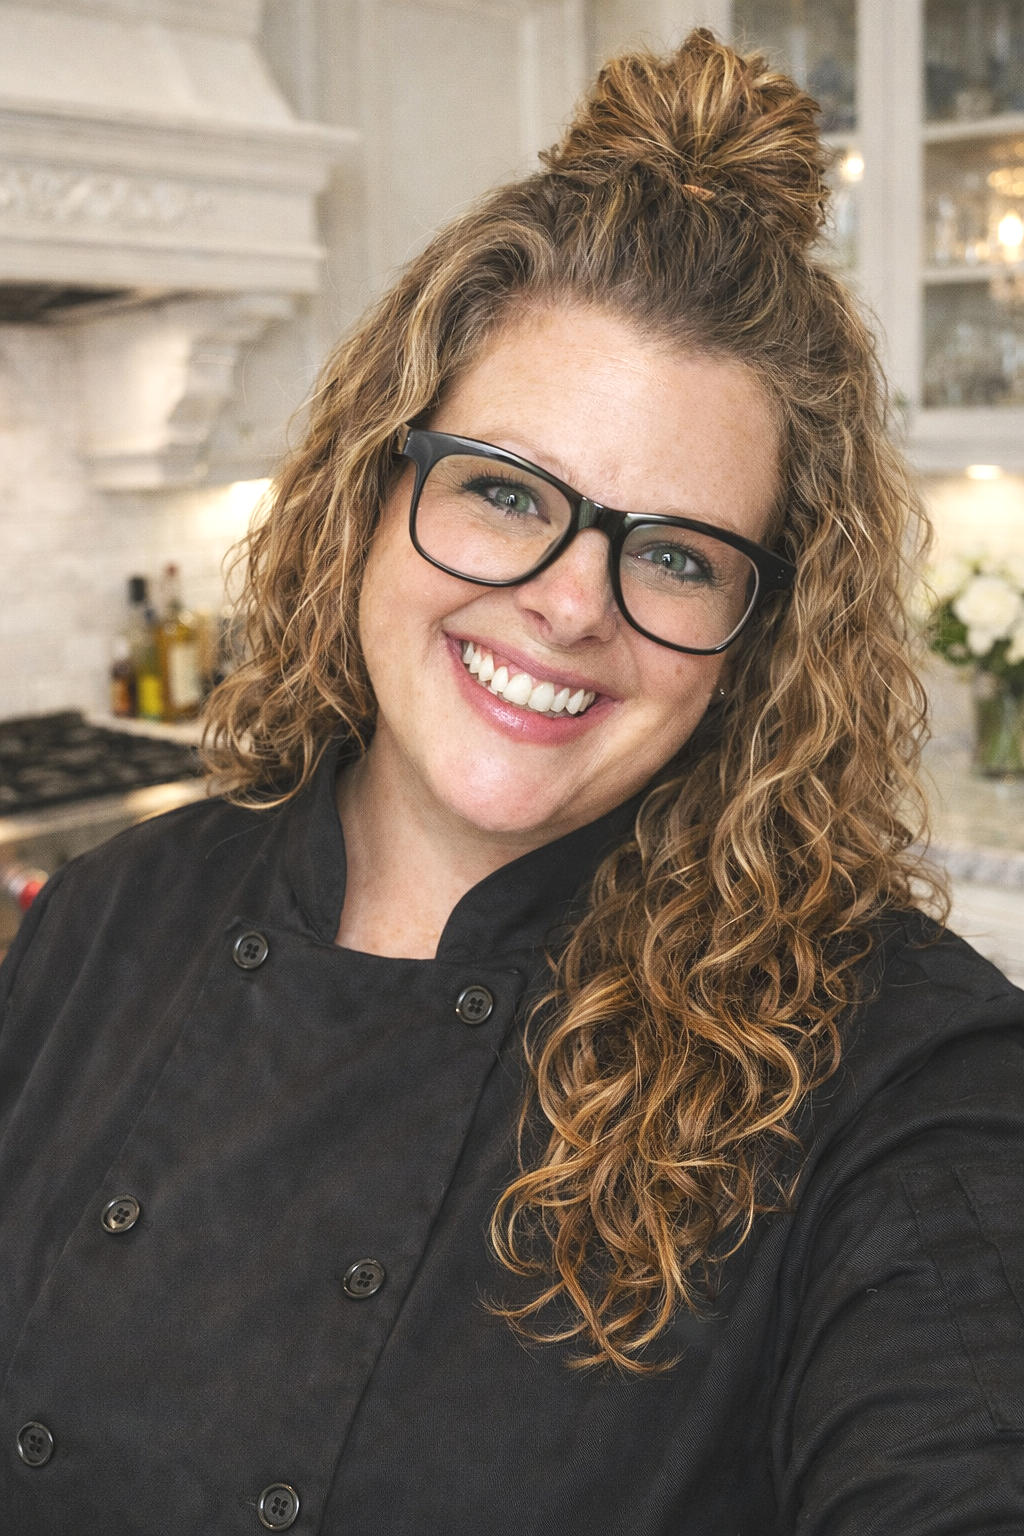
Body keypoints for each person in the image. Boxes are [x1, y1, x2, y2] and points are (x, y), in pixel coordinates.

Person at [1, 30, 1022, 1536]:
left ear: (762, 631)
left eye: (677, 555)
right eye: (504, 491)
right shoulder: (108, 918)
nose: (569, 604)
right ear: (372, 490)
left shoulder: (899, 1068)